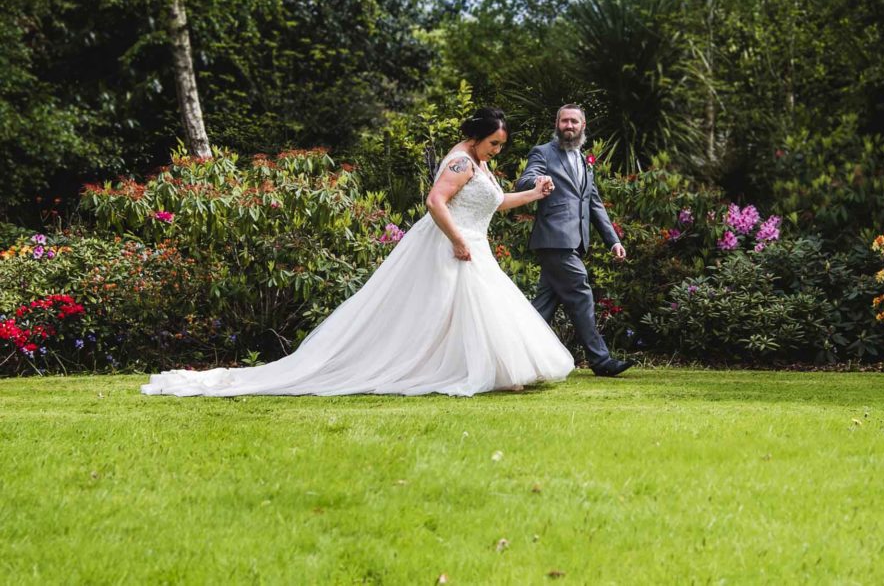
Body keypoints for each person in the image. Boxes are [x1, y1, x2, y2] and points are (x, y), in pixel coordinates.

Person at [142, 108, 574, 397]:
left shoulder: (479, 163)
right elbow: (435, 202)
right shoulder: (460, 162)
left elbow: (493, 203)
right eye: (493, 143)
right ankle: (477, 372)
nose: (497, 151)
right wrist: (458, 240)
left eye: (499, 145)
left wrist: (533, 194)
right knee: (453, 309)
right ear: (476, 137)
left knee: (473, 310)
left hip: (473, 243)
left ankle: (489, 371)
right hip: (453, 244)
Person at [515, 104, 635, 377]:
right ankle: (601, 361)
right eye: (564, 121)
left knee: (543, 306)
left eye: (574, 121)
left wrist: (613, 241)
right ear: (557, 124)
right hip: (554, 239)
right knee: (580, 291)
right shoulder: (543, 152)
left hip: (575, 241)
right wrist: (538, 180)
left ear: (583, 126)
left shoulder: (584, 161)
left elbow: (594, 204)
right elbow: (525, 181)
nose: (569, 126)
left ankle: (515, 354)